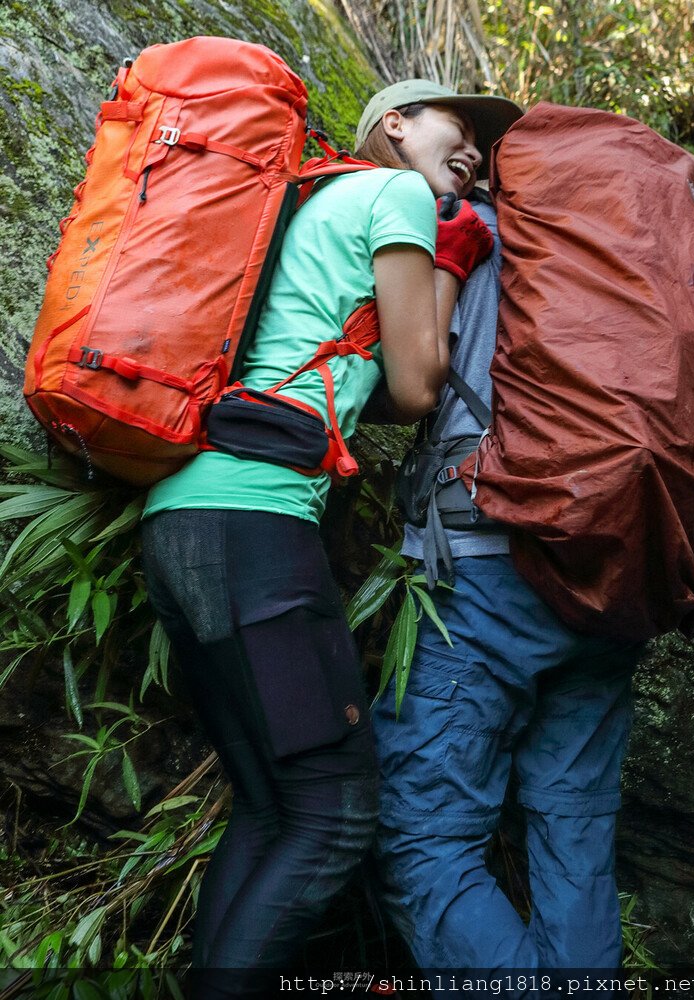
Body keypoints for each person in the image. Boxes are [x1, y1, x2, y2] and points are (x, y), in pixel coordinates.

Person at [139, 77, 519, 989]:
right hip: (258, 527)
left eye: (481, 147)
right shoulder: (393, 194)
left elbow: (382, 391)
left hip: (187, 520)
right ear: (395, 125)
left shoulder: (323, 196)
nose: (471, 152)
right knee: (336, 817)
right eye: (456, 129)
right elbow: (423, 388)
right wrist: (452, 265)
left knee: (275, 809)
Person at [370, 182, 645, 985]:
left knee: (424, 839)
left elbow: (405, 381)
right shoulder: (617, 256)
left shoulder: (475, 233)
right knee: (576, 837)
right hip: (618, 576)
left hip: (491, 567)